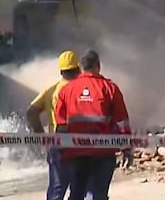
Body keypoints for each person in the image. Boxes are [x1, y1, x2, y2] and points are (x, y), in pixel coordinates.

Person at [54, 49, 132, 200]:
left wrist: (62, 151)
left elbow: (61, 125)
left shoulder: (66, 90)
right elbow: (122, 122)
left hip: (76, 153)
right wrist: (126, 149)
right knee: (98, 195)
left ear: (81, 67)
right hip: (103, 153)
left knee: (76, 194)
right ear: (98, 66)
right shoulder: (110, 88)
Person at [26, 50, 81, 200]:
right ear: (78, 68)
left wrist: (41, 136)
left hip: (57, 144)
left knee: (57, 189)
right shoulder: (84, 89)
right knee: (81, 188)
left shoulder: (52, 90)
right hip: (82, 144)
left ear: (61, 70)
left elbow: (31, 112)